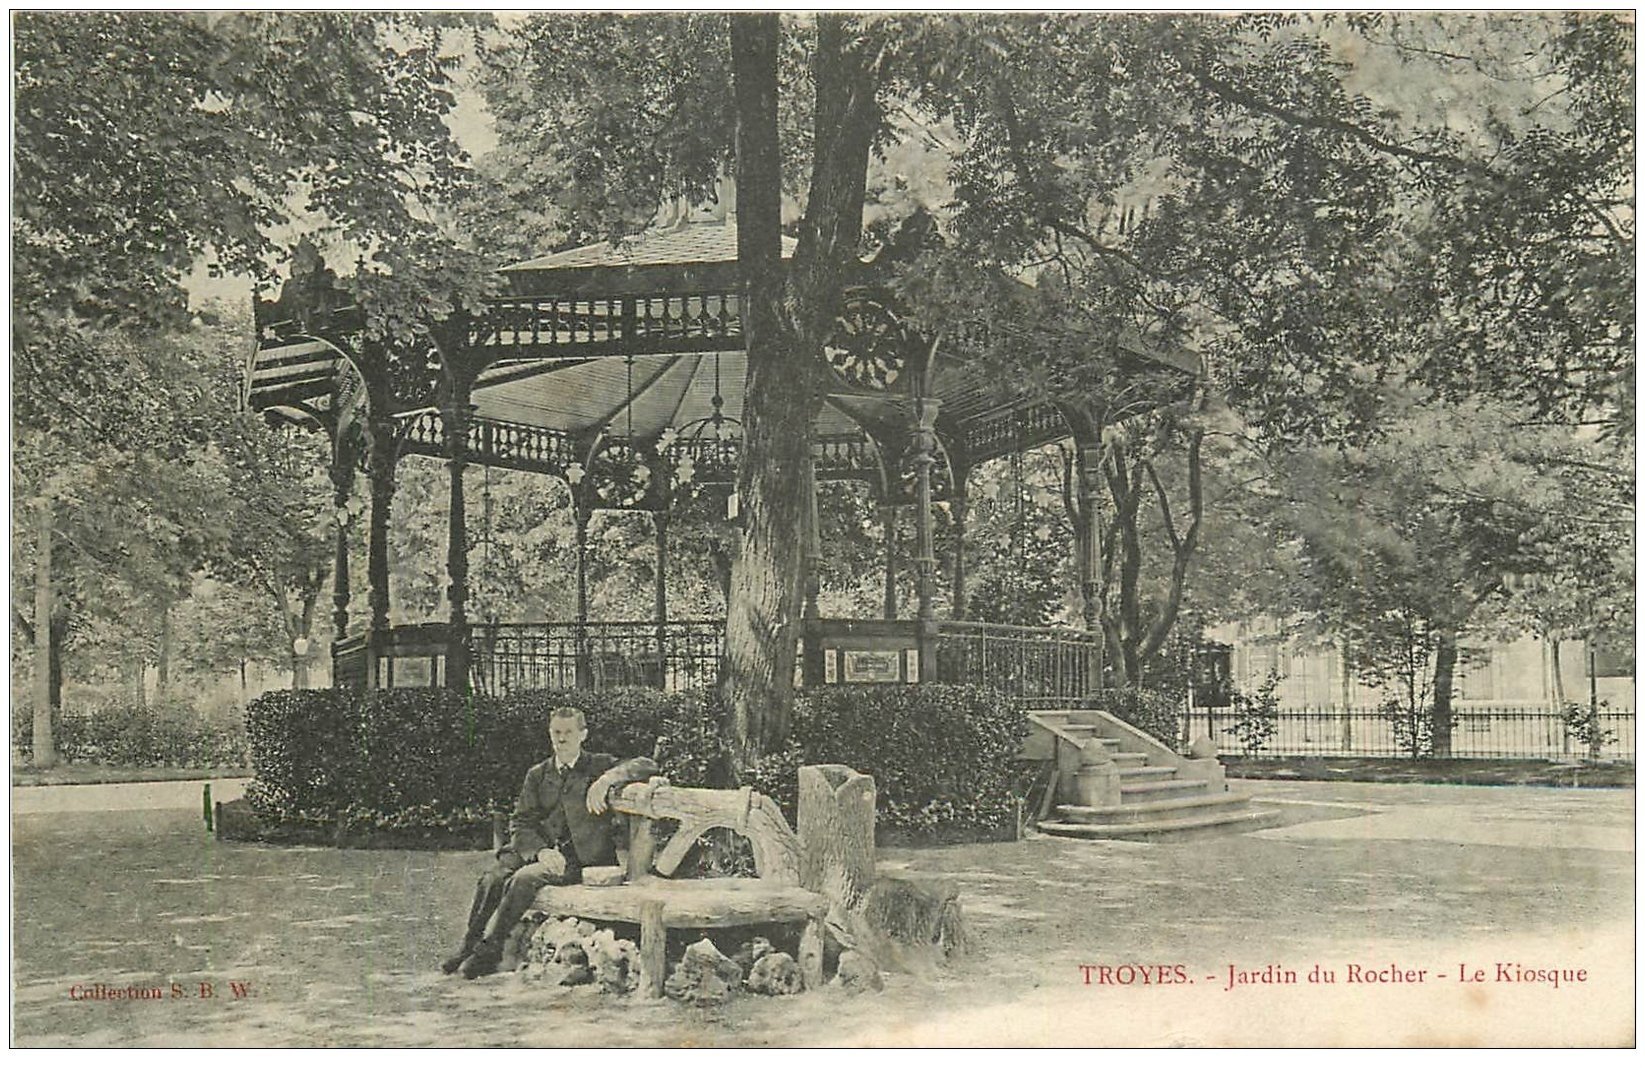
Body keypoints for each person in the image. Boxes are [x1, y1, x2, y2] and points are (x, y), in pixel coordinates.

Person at [443, 705, 658, 979]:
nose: (562, 739)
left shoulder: (597, 765)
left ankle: (490, 950)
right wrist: (540, 851)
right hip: (539, 850)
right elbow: (521, 822)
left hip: (580, 857)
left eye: (569, 732)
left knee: (524, 879)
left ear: (583, 735)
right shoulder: (538, 774)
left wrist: (606, 780)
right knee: (492, 878)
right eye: (556, 732)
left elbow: (647, 764)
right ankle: (468, 945)